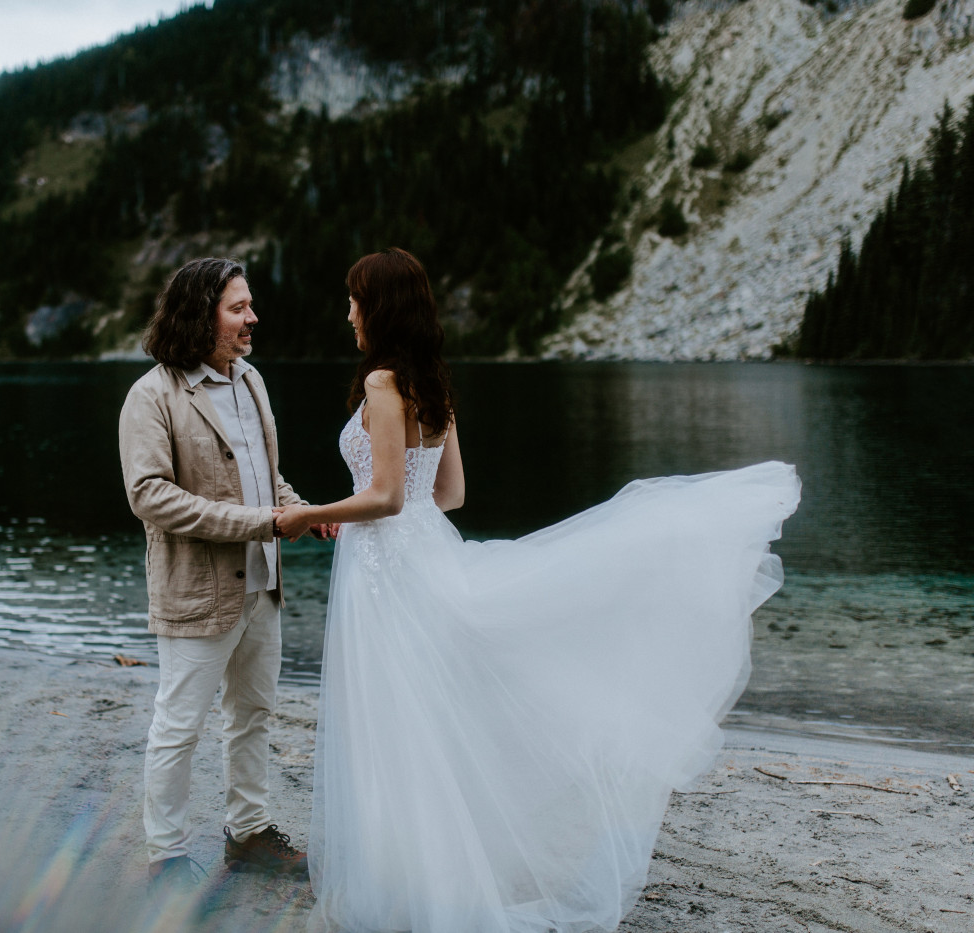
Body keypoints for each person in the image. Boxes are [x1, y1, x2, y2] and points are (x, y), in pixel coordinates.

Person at [273, 248, 801, 933]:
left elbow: (384, 496)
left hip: (388, 574)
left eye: (353, 300)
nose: (346, 313)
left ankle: (404, 883)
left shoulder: (381, 384)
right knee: (421, 722)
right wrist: (362, 524)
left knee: (394, 723)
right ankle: (427, 877)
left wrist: (309, 515)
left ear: (379, 306)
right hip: (420, 554)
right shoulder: (432, 384)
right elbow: (451, 495)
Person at [119, 257, 327, 895]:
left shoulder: (252, 381)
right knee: (179, 726)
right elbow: (149, 495)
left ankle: (250, 835)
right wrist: (258, 521)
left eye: (249, 305)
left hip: (263, 582)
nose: (252, 318)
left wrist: (301, 510)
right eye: (238, 308)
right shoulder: (152, 395)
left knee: (254, 713)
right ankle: (166, 859)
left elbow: (266, 474)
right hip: (197, 592)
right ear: (198, 314)